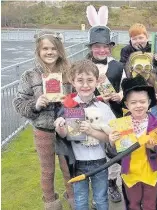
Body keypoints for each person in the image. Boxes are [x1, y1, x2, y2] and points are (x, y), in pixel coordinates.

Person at [13, 30, 74, 210]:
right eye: (45, 48)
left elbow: (79, 97)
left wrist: (69, 103)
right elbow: (19, 103)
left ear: (60, 50)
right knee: (47, 171)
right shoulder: (30, 75)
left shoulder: (69, 72)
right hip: (43, 129)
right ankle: (50, 203)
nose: (49, 52)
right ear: (38, 51)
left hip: (67, 129)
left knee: (69, 167)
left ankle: (74, 198)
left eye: (53, 48)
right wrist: (36, 104)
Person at [54, 60, 116, 210]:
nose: (85, 85)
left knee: (101, 199)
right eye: (80, 80)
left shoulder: (103, 108)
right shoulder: (67, 105)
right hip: (77, 162)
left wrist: (91, 131)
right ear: (72, 81)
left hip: (100, 160)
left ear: (97, 81)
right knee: (80, 200)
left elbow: (111, 137)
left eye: (90, 80)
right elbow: (65, 136)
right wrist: (59, 128)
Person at [109, 75, 157, 210]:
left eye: (142, 102)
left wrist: (154, 146)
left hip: (150, 172)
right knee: (133, 203)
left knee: (149, 204)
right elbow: (115, 152)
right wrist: (112, 142)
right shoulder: (121, 124)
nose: (138, 105)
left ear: (149, 103)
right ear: (127, 104)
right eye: (133, 102)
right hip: (130, 172)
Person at [85, 5, 124, 202]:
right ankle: (95, 187)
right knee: (91, 152)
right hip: (90, 117)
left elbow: (127, 88)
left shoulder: (119, 66)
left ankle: (112, 183)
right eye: (97, 46)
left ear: (110, 47)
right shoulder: (83, 67)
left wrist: (120, 95)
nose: (101, 49)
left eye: (105, 46)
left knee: (114, 151)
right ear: (91, 48)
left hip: (115, 116)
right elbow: (75, 92)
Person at [120, 23, 157, 123]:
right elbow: (124, 72)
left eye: (141, 37)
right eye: (134, 38)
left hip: (155, 91)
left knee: (155, 121)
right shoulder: (126, 51)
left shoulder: (156, 49)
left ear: (147, 38)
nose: (138, 41)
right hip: (134, 93)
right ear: (130, 39)